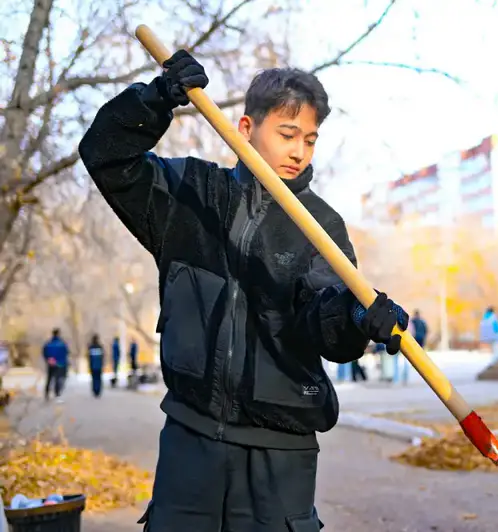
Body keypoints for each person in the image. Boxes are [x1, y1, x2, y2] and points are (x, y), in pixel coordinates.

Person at [79, 50, 408, 531]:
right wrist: (157, 99)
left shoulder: (321, 227)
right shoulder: (189, 193)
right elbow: (107, 155)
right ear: (247, 127)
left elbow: (328, 329)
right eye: (288, 134)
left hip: (280, 453)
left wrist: (360, 319)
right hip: (190, 442)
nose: (300, 152)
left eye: (311, 141)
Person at [42, 328, 69, 403]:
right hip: (59, 363)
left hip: (51, 363)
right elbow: (66, 353)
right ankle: (57, 393)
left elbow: (44, 352)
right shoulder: (62, 344)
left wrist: (48, 360)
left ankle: (47, 392)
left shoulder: (48, 343)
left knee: (49, 378)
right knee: (58, 378)